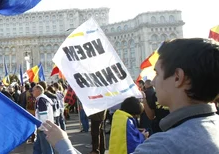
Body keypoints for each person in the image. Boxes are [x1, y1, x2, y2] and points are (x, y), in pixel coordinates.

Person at [42, 38, 219, 154]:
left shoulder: (166, 146)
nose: (154, 82)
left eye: (157, 73)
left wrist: (63, 144)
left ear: (178, 77)